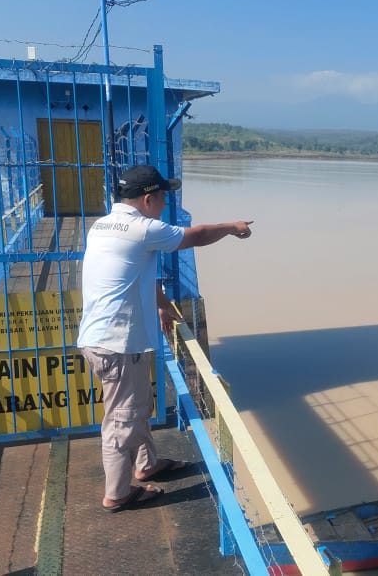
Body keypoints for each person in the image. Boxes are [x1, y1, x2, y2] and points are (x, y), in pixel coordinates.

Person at [77, 164, 253, 512]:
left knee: (136, 407)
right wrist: (232, 227)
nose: (163, 205)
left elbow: (134, 271)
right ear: (148, 199)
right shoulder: (141, 228)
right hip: (118, 343)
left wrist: (159, 304)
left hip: (106, 338)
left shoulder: (103, 225)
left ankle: (146, 464)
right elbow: (196, 235)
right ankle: (118, 494)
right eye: (161, 198)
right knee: (122, 421)